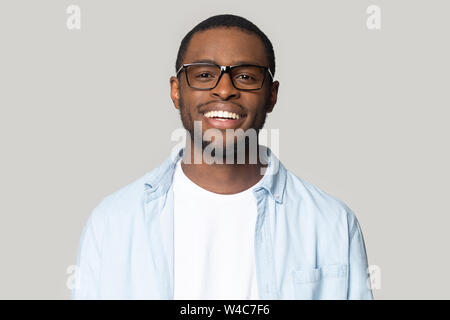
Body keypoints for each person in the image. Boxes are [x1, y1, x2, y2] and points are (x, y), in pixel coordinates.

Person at [71, 14, 373, 300]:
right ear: (177, 91)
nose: (225, 90)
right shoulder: (113, 222)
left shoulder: (332, 223)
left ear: (272, 95)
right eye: (204, 74)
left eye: (245, 76)